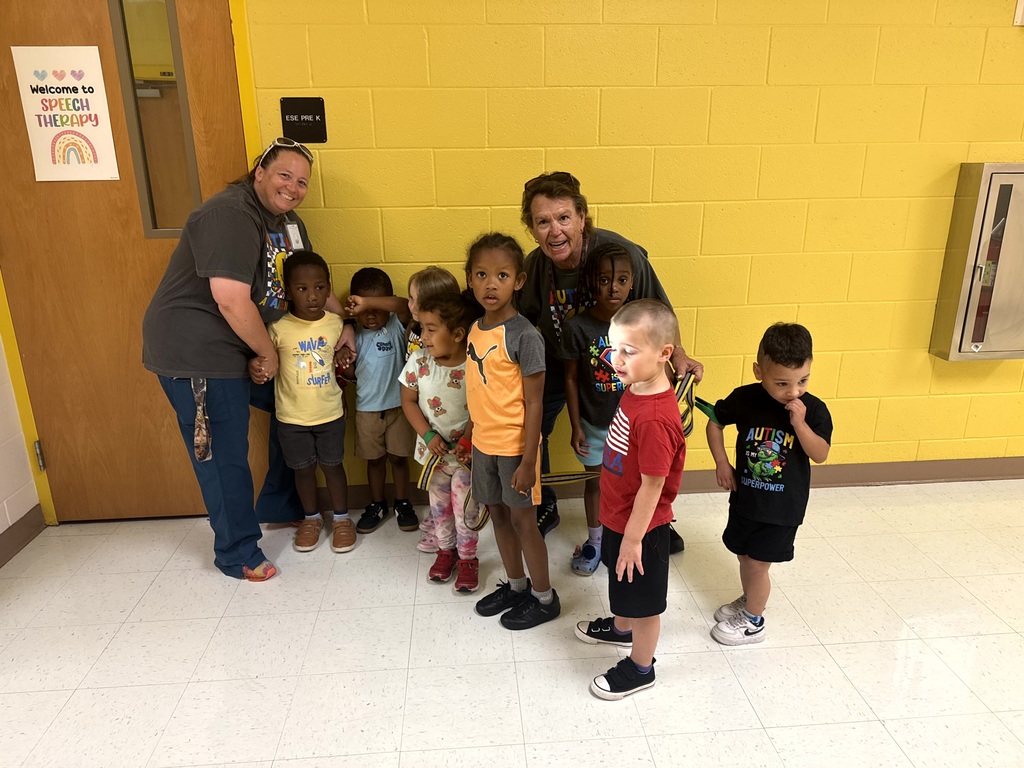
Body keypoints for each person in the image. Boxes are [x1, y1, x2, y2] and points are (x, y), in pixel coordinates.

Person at [143, 137, 332, 581]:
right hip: (200, 352)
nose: (293, 187)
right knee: (224, 453)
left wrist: (341, 325)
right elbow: (229, 298)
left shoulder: (287, 223)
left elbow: (309, 283)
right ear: (259, 172)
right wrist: (267, 353)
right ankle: (237, 551)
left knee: (298, 408)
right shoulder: (230, 213)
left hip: (247, 343)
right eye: (284, 174)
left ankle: (279, 504)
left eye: (302, 181)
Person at [517, 171, 701, 550]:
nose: (555, 231)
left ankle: (652, 519)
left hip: (619, 367)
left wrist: (678, 353)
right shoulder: (537, 266)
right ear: (532, 229)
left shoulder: (620, 255)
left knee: (642, 441)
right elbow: (518, 316)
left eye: (564, 217)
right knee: (527, 418)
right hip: (565, 361)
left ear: (582, 218)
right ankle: (545, 504)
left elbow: (659, 309)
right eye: (543, 221)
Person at [574, 300, 687, 700]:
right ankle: (620, 629)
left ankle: (641, 667)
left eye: (629, 351)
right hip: (619, 516)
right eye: (614, 347)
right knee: (621, 583)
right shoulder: (637, 388)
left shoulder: (656, 417)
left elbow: (653, 486)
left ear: (664, 354)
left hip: (643, 530)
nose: (615, 359)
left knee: (644, 605)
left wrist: (634, 539)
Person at [705, 323, 833, 645]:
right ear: (758, 371)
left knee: (758, 564)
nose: (793, 391)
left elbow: (821, 454)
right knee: (744, 557)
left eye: (802, 380)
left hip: (782, 508)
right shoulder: (745, 398)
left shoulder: (813, 409)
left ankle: (753, 620)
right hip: (746, 499)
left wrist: (800, 424)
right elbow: (714, 421)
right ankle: (750, 600)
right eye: (781, 383)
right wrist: (722, 463)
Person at [458, 233, 559, 630]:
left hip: (516, 449)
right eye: (481, 274)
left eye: (501, 275)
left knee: (523, 523)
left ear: (518, 281)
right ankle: (517, 586)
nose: (490, 284)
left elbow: (535, 402)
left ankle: (544, 597)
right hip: (484, 445)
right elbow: (476, 388)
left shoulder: (525, 336)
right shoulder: (474, 329)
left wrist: (530, 460)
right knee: (497, 516)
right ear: (469, 279)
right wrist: (469, 435)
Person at [267, 251, 353, 555]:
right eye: (302, 289)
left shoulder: (336, 324)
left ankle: (342, 519)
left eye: (319, 287)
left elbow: (349, 364)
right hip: (291, 418)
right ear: (288, 290)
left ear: (329, 288)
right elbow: (263, 361)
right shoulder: (278, 328)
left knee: (333, 466)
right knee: (302, 471)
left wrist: (345, 358)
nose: (312, 295)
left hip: (330, 413)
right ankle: (311, 518)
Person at [400, 291, 483, 593]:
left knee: (465, 510)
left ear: (458, 334)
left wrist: (469, 437)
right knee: (439, 509)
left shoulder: (474, 364)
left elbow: (482, 404)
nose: (423, 337)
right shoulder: (419, 361)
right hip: (433, 458)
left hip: (465, 457)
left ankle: (468, 559)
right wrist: (428, 434)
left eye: (431, 329)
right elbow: (408, 400)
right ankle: (445, 552)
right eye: (422, 328)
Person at [561, 242, 634, 576]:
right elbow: (572, 380)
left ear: (632, 282)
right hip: (592, 424)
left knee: (627, 482)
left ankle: (625, 540)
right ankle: (596, 540)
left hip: (630, 425)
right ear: (592, 283)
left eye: (621, 280)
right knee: (596, 482)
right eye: (604, 280)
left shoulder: (638, 324)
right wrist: (576, 426)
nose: (613, 287)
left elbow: (653, 372)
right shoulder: (578, 328)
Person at [342, 267, 418, 534]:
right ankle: (377, 504)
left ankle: (402, 502)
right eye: (363, 306)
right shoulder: (352, 333)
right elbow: (353, 373)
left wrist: (368, 303)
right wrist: (343, 365)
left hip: (399, 408)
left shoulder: (396, 325)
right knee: (374, 461)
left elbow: (402, 305)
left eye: (376, 305)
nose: (371, 314)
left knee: (398, 459)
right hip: (367, 411)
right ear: (353, 305)